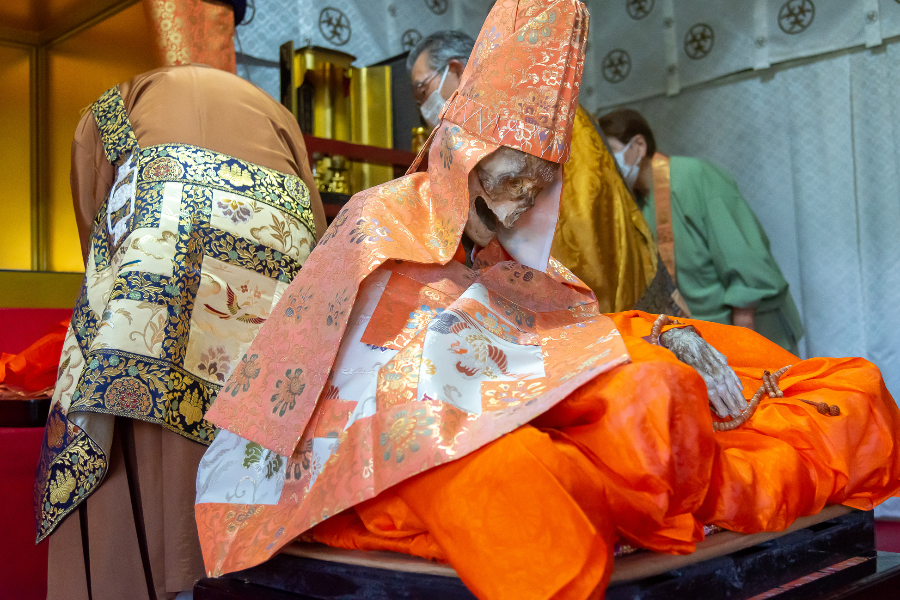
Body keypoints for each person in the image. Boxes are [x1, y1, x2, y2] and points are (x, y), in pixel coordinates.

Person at [194, 4, 900, 599]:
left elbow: (569, 334)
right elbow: (301, 382)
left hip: (536, 406)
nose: (524, 202)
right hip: (400, 440)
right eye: (507, 179)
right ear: (461, 160)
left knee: (819, 383)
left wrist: (660, 331)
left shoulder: (520, 249)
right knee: (535, 478)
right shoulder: (377, 224)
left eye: (539, 184)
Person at [35, 64, 325, 600]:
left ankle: (156, 571)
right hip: (274, 229)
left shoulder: (111, 107)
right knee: (262, 401)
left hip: (162, 235)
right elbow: (316, 221)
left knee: (137, 362)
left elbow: (95, 223)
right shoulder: (277, 114)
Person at [407, 30, 681, 315]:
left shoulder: (515, 112)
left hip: (579, 281)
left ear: (455, 68)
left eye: (422, 91)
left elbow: (580, 217)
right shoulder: (511, 109)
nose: (424, 109)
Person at [599, 108, 804, 354]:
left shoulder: (693, 176)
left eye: (610, 153)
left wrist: (743, 329)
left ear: (639, 145)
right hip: (703, 335)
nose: (607, 165)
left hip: (750, 325)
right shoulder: (635, 204)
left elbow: (742, 254)